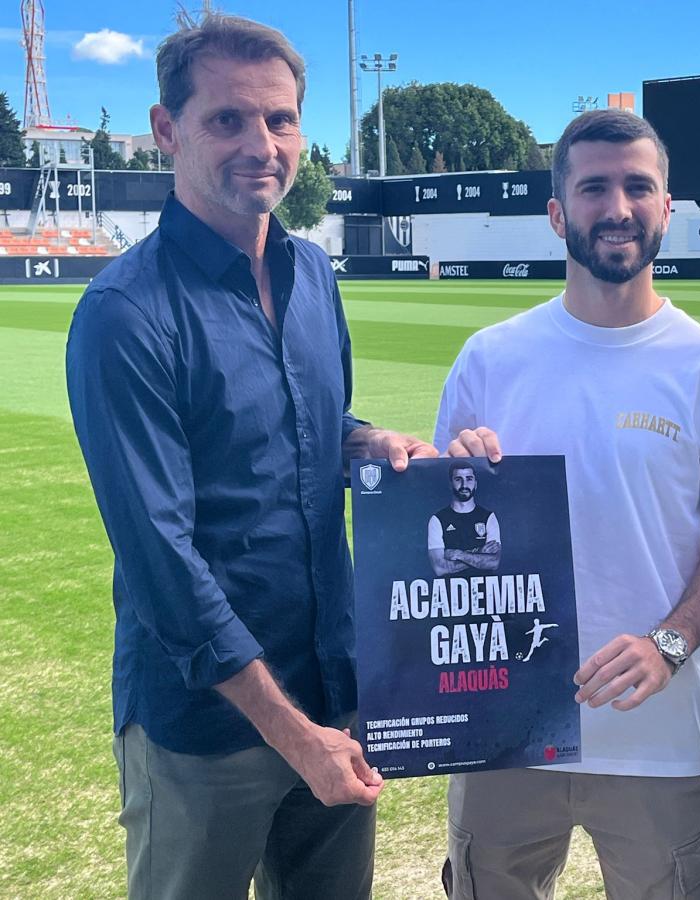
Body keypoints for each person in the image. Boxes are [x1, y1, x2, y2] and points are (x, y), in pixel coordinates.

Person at [64, 13, 435, 899]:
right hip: (210, 726)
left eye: (279, 120)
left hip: (333, 688)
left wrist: (366, 443)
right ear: (168, 130)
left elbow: (307, 427)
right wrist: (292, 734)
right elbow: (162, 562)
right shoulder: (125, 315)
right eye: (227, 119)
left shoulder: (314, 275)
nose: (260, 144)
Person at [435, 109, 700, 900]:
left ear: (666, 209)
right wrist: (452, 472)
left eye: (639, 186)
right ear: (558, 212)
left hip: (655, 743)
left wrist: (668, 643)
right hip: (507, 735)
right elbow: (441, 534)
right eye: (594, 187)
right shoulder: (490, 358)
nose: (617, 206)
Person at [427, 461, 501, 575]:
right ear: (450, 484)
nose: (464, 485)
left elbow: (494, 562)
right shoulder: (437, 520)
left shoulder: (488, 517)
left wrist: (459, 555)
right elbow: (439, 568)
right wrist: (480, 553)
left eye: (469, 479)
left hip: (484, 591)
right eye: (458, 479)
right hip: (450, 591)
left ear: (475, 484)